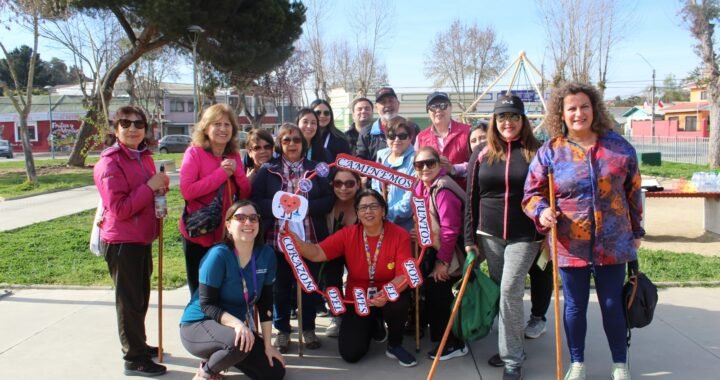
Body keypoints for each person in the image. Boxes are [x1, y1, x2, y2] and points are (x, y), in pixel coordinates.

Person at [523, 82, 644, 380]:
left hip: (613, 241)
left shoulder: (619, 147)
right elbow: (530, 194)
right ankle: (577, 363)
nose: (579, 113)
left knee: (613, 304)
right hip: (569, 243)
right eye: (572, 108)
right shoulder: (551, 152)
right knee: (575, 306)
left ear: (594, 109)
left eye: (584, 107)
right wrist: (542, 211)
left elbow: (634, 192)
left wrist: (637, 231)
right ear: (561, 114)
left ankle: (619, 364)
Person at [288, 189, 417, 367]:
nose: (368, 211)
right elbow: (318, 252)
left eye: (374, 206)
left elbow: (404, 274)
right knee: (350, 353)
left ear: (383, 210)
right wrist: (299, 245)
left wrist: (386, 293)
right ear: (356, 213)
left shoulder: (399, 234)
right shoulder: (348, 234)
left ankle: (395, 344)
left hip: (388, 294)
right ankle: (374, 324)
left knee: (398, 302)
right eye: (363, 207)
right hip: (358, 298)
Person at [464, 95, 543, 380]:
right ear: (494, 122)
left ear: (523, 120)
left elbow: (549, 193)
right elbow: (472, 197)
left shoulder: (537, 151)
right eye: (501, 117)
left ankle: (512, 359)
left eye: (513, 116)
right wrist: (469, 238)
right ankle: (510, 346)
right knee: (501, 290)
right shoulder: (482, 153)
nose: (507, 122)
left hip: (526, 235)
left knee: (510, 289)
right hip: (489, 234)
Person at [93, 105, 169, 376]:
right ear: (116, 129)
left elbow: (147, 192)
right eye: (126, 123)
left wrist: (159, 188)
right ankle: (133, 358)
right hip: (122, 242)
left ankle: (139, 343)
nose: (133, 129)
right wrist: (150, 187)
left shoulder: (143, 157)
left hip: (142, 238)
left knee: (140, 297)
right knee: (128, 300)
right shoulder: (109, 163)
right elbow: (122, 208)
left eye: (139, 124)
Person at [251, 123, 333, 353]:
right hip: (277, 240)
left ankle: (308, 329)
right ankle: (283, 331)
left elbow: (328, 200)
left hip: (308, 239)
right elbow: (256, 199)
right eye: (286, 140)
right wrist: (281, 206)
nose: (292, 144)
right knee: (281, 288)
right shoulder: (268, 170)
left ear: (303, 143)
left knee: (308, 285)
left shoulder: (315, 169)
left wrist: (303, 208)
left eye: (296, 139)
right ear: (280, 144)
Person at [179, 201, 285, 380]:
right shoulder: (218, 255)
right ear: (228, 225)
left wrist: (268, 345)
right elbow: (207, 304)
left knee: (274, 373)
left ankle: (224, 357)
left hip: (236, 330)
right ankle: (205, 372)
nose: (248, 223)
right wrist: (237, 324)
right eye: (240, 218)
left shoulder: (266, 255)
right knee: (237, 344)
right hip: (199, 324)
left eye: (253, 218)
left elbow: (265, 302)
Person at [180, 104, 252, 296]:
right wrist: (221, 174)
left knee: (223, 287)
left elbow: (245, 193)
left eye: (227, 125)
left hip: (226, 234)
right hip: (199, 232)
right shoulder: (194, 153)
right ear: (206, 128)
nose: (223, 129)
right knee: (200, 291)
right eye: (217, 124)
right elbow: (187, 191)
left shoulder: (234, 155)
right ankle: (198, 324)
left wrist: (237, 172)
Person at [412, 146, 468, 361]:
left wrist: (443, 262)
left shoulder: (443, 189)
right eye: (419, 164)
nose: (425, 168)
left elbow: (450, 229)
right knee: (434, 293)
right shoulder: (424, 186)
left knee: (441, 293)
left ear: (439, 164)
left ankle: (453, 342)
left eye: (430, 163)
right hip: (434, 247)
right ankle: (441, 337)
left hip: (450, 251)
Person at [322, 169, 361, 337]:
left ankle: (366, 315)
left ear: (358, 184)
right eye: (338, 183)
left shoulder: (365, 203)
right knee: (331, 282)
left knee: (361, 281)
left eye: (349, 183)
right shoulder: (327, 204)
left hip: (359, 250)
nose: (343, 188)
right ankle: (337, 316)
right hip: (333, 250)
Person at [415, 92, 471, 188]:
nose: (438, 110)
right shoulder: (421, 138)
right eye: (433, 107)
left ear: (450, 107)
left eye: (443, 105)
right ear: (428, 112)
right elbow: (416, 169)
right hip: (433, 196)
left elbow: (479, 163)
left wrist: (454, 169)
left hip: (463, 194)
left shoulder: (468, 132)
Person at [371, 116, 416, 232]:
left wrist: (384, 214)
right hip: (379, 224)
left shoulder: (416, 160)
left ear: (410, 138)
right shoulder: (381, 155)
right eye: (391, 136)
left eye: (402, 136)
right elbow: (375, 187)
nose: (396, 140)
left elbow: (409, 202)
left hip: (404, 228)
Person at [356, 87, 420, 162]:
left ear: (398, 104)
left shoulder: (412, 127)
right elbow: (360, 161)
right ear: (376, 108)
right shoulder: (366, 132)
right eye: (383, 102)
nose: (388, 105)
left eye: (391, 101)